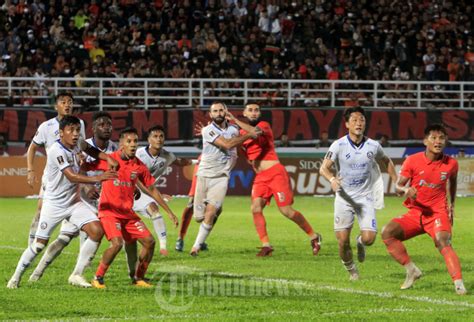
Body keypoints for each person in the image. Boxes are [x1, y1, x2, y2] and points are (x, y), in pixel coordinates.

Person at [7, 116, 117, 289]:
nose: (75, 134)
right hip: (54, 205)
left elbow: (92, 151)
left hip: (74, 203)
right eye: (70, 130)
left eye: (77, 130)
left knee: (97, 230)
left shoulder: (77, 143)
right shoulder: (56, 150)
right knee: (38, 246)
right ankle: (15, 277)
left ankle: (77, 274)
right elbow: (71, 176)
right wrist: (99, 177)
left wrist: (107, 158)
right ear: (61, 133)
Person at [227, 103, 322, 257]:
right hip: (261, 177)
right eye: (250, 110)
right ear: (244, 112)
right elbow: (238, 148)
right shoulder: (242, 134)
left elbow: (255, 133)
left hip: (275, 173)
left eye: (256, 110)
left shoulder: (263, 125)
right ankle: (266, 246)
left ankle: (314, 236)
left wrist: (234, 121)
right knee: (255, 208)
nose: (253, 112)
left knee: (287, 211)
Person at [381, 124, 467, 295]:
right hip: (415, 213)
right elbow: (398, 186)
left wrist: (452, 204)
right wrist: (406, 190)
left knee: (443, 241)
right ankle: (412, 270)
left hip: (437, 213)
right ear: (425, 141)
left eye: (441, 138)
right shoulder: (412, 160)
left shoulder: (451, 164)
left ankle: (459, 284)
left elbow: (453, 182)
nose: (438, 141)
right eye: (434, 138)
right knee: (387, 232)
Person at [90, 128, 178, 289]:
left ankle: (139, 277)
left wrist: (169, 212)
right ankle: (98, 277)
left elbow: (152, 189)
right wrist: (88, 185)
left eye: (135, 141)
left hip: (128, 214)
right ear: (121, 144)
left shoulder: (138, 166)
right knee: (117, 244)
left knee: (149, 242)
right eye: (129, 141)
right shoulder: (110, 160)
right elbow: (85, 167)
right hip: (109, 212)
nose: (133, 145)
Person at [319, 106, 398, 280]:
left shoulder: (373, 145)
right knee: (342, 241)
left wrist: (397, 181)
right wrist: (332, 180)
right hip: (344, 198)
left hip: (365, 197)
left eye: (361, 119)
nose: (359, 123)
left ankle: (360, 242)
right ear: (347, 124)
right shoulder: (338, 145)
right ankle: (352, 270)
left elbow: (386, 161)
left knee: (369, 238)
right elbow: (324, 168)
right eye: (354, 120)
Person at [189, 102, 260, 256]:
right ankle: (211, 215)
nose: (219, 113)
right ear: (210, 114)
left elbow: (257, 131)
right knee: (198, 217)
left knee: (211, 212)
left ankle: (196, 246)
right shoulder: (208, 130)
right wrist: (248, 135)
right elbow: (227, 145)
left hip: (221, 176)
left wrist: (235, 119)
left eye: (221, 110)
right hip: (204, 175)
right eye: (215, 111)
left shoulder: (234, 129)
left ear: (226, 111)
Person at [25, 93, 86, 246]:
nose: (67, 105)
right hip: (52, 179)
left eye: (70, 102)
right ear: (56, 106)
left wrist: (81, 154)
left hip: (73, 176)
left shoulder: (80, 123)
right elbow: (32, 148)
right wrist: (30, 170)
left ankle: (84, 254)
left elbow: (82, 145)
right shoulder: (46, 127)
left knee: (83, 213)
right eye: (63, 102)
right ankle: (31, 246)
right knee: (40, 211)